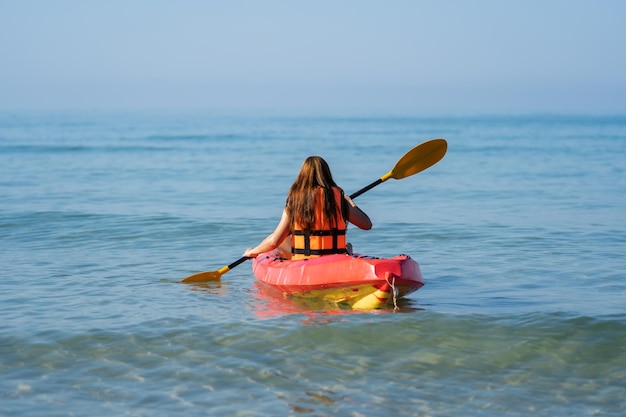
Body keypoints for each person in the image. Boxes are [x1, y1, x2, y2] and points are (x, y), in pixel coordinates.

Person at [243, 156, 372, 260]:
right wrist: (349, 202)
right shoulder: (340, 199)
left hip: (305, 264)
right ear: (327, 174)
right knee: (347, 246)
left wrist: (253, 251)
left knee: (283, 244)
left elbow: (274, 241)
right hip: (335, 260)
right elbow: (366, 224)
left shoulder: (295, 201)